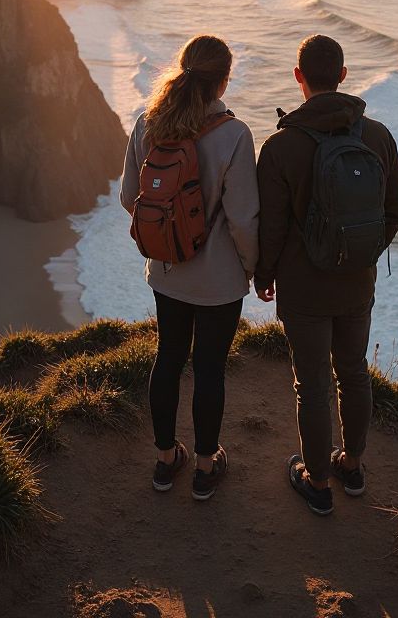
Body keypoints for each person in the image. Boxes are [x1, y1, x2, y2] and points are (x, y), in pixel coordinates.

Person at [255, 34, 398, 515]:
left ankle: (318, 482)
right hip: (357, 280)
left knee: (312, 384)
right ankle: (353, 465)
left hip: (303, 286)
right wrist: (362, 251)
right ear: (343, 75)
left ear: (298, 77)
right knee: (354, 372)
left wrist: (264, 274)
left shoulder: (280, 147)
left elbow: (272, 225)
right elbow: (395, 207)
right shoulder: (377, 135)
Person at [120, 34, 259, 500]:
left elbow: (128, 198)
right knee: (210, 368)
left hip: (166, 271)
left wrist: (168, 236)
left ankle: (164, 462)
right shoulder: (235, 135)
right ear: (223, 80)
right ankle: (205, 467)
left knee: (168, 357)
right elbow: (243, 217)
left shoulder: (148, 122)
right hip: (218, 281)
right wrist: (253, 268)